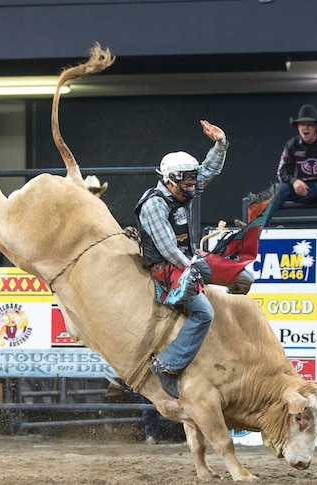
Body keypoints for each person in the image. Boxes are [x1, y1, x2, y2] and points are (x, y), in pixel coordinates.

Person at [135, 119, 228, 399]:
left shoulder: (180, 190)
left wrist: (221, 143)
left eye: (192, 176)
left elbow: (208, 170)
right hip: (168, 267)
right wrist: (194, 270)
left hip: (186, 258)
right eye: (188, 177)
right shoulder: (154, 204)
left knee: (242, 275)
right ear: (172, 179)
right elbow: (167, 250)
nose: (194, 181)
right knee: (204, 313)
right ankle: (166, 365)